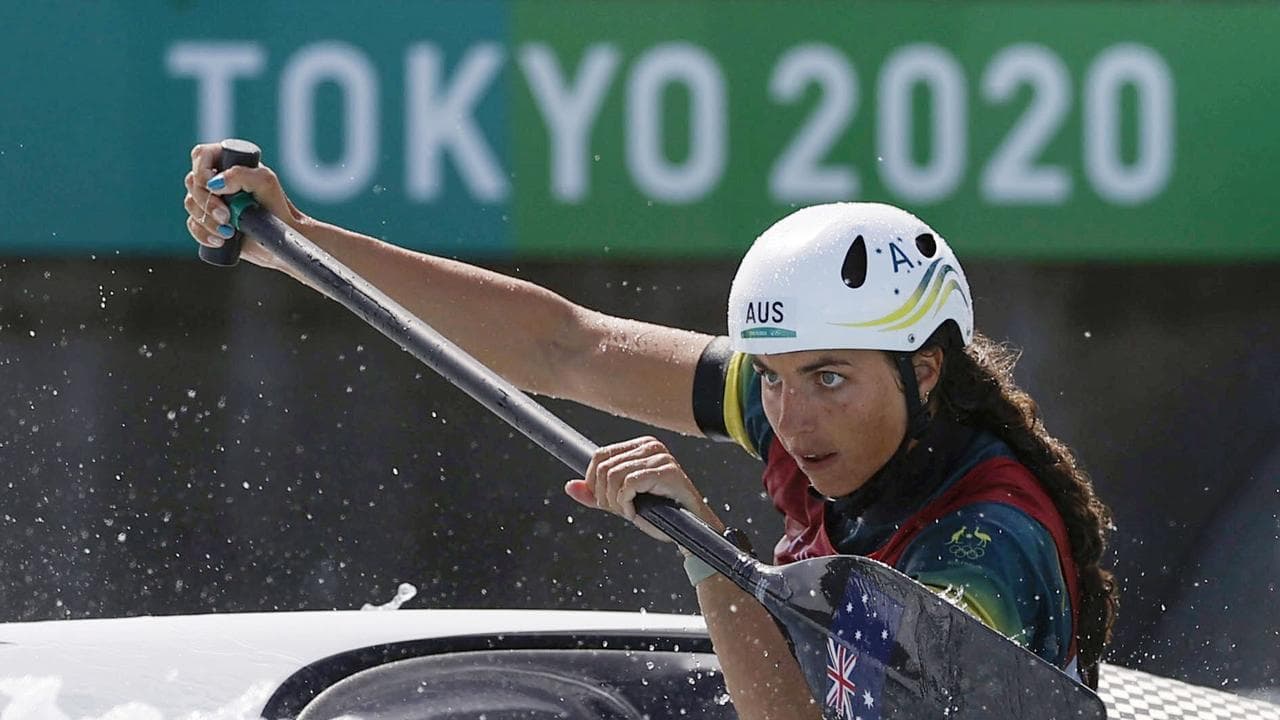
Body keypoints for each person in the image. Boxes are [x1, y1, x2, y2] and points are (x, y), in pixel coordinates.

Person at [183, 144, 1118, 718]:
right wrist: (301, 244)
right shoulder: (823, 410)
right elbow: (566, 346)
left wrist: (709, 555)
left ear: (923, 372)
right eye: (775, 380)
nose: (789, 420)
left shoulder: (984, 557)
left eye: (826, 379)